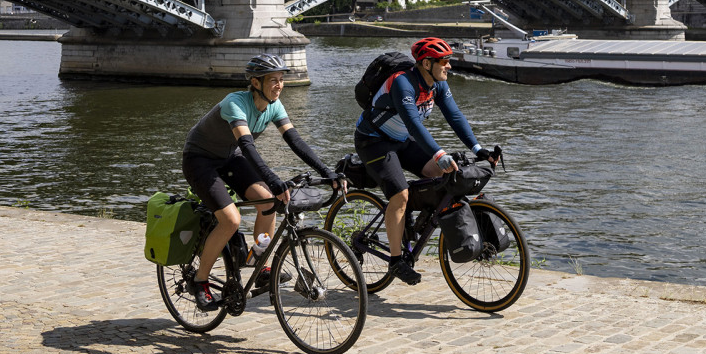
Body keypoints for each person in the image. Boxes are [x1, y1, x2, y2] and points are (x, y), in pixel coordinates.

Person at [182, 54, 342, 310]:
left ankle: (262, 266)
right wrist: (274, 179)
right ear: (256, 83)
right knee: (231, 220)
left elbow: (295, 141)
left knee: (268, 203)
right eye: (273, 80)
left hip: (229, 157)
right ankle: (199, 280)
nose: (279, 85)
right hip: (200, 159)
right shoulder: (235, 103)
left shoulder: (274, 106)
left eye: (281, 80)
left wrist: (327, 171)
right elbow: (247, 146)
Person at [354, 36, 496, 285]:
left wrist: (477, 147)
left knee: (446, 176)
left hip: (402, 140)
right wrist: (439, 154)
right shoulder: (402, 82)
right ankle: (396, 261)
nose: (449, 65)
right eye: (444, 61)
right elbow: (414, 124)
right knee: (400, 194)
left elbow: (454, 115)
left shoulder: (437, 84)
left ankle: (415, 221)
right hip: (374, 141)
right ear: (427, 64)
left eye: (448, 60)